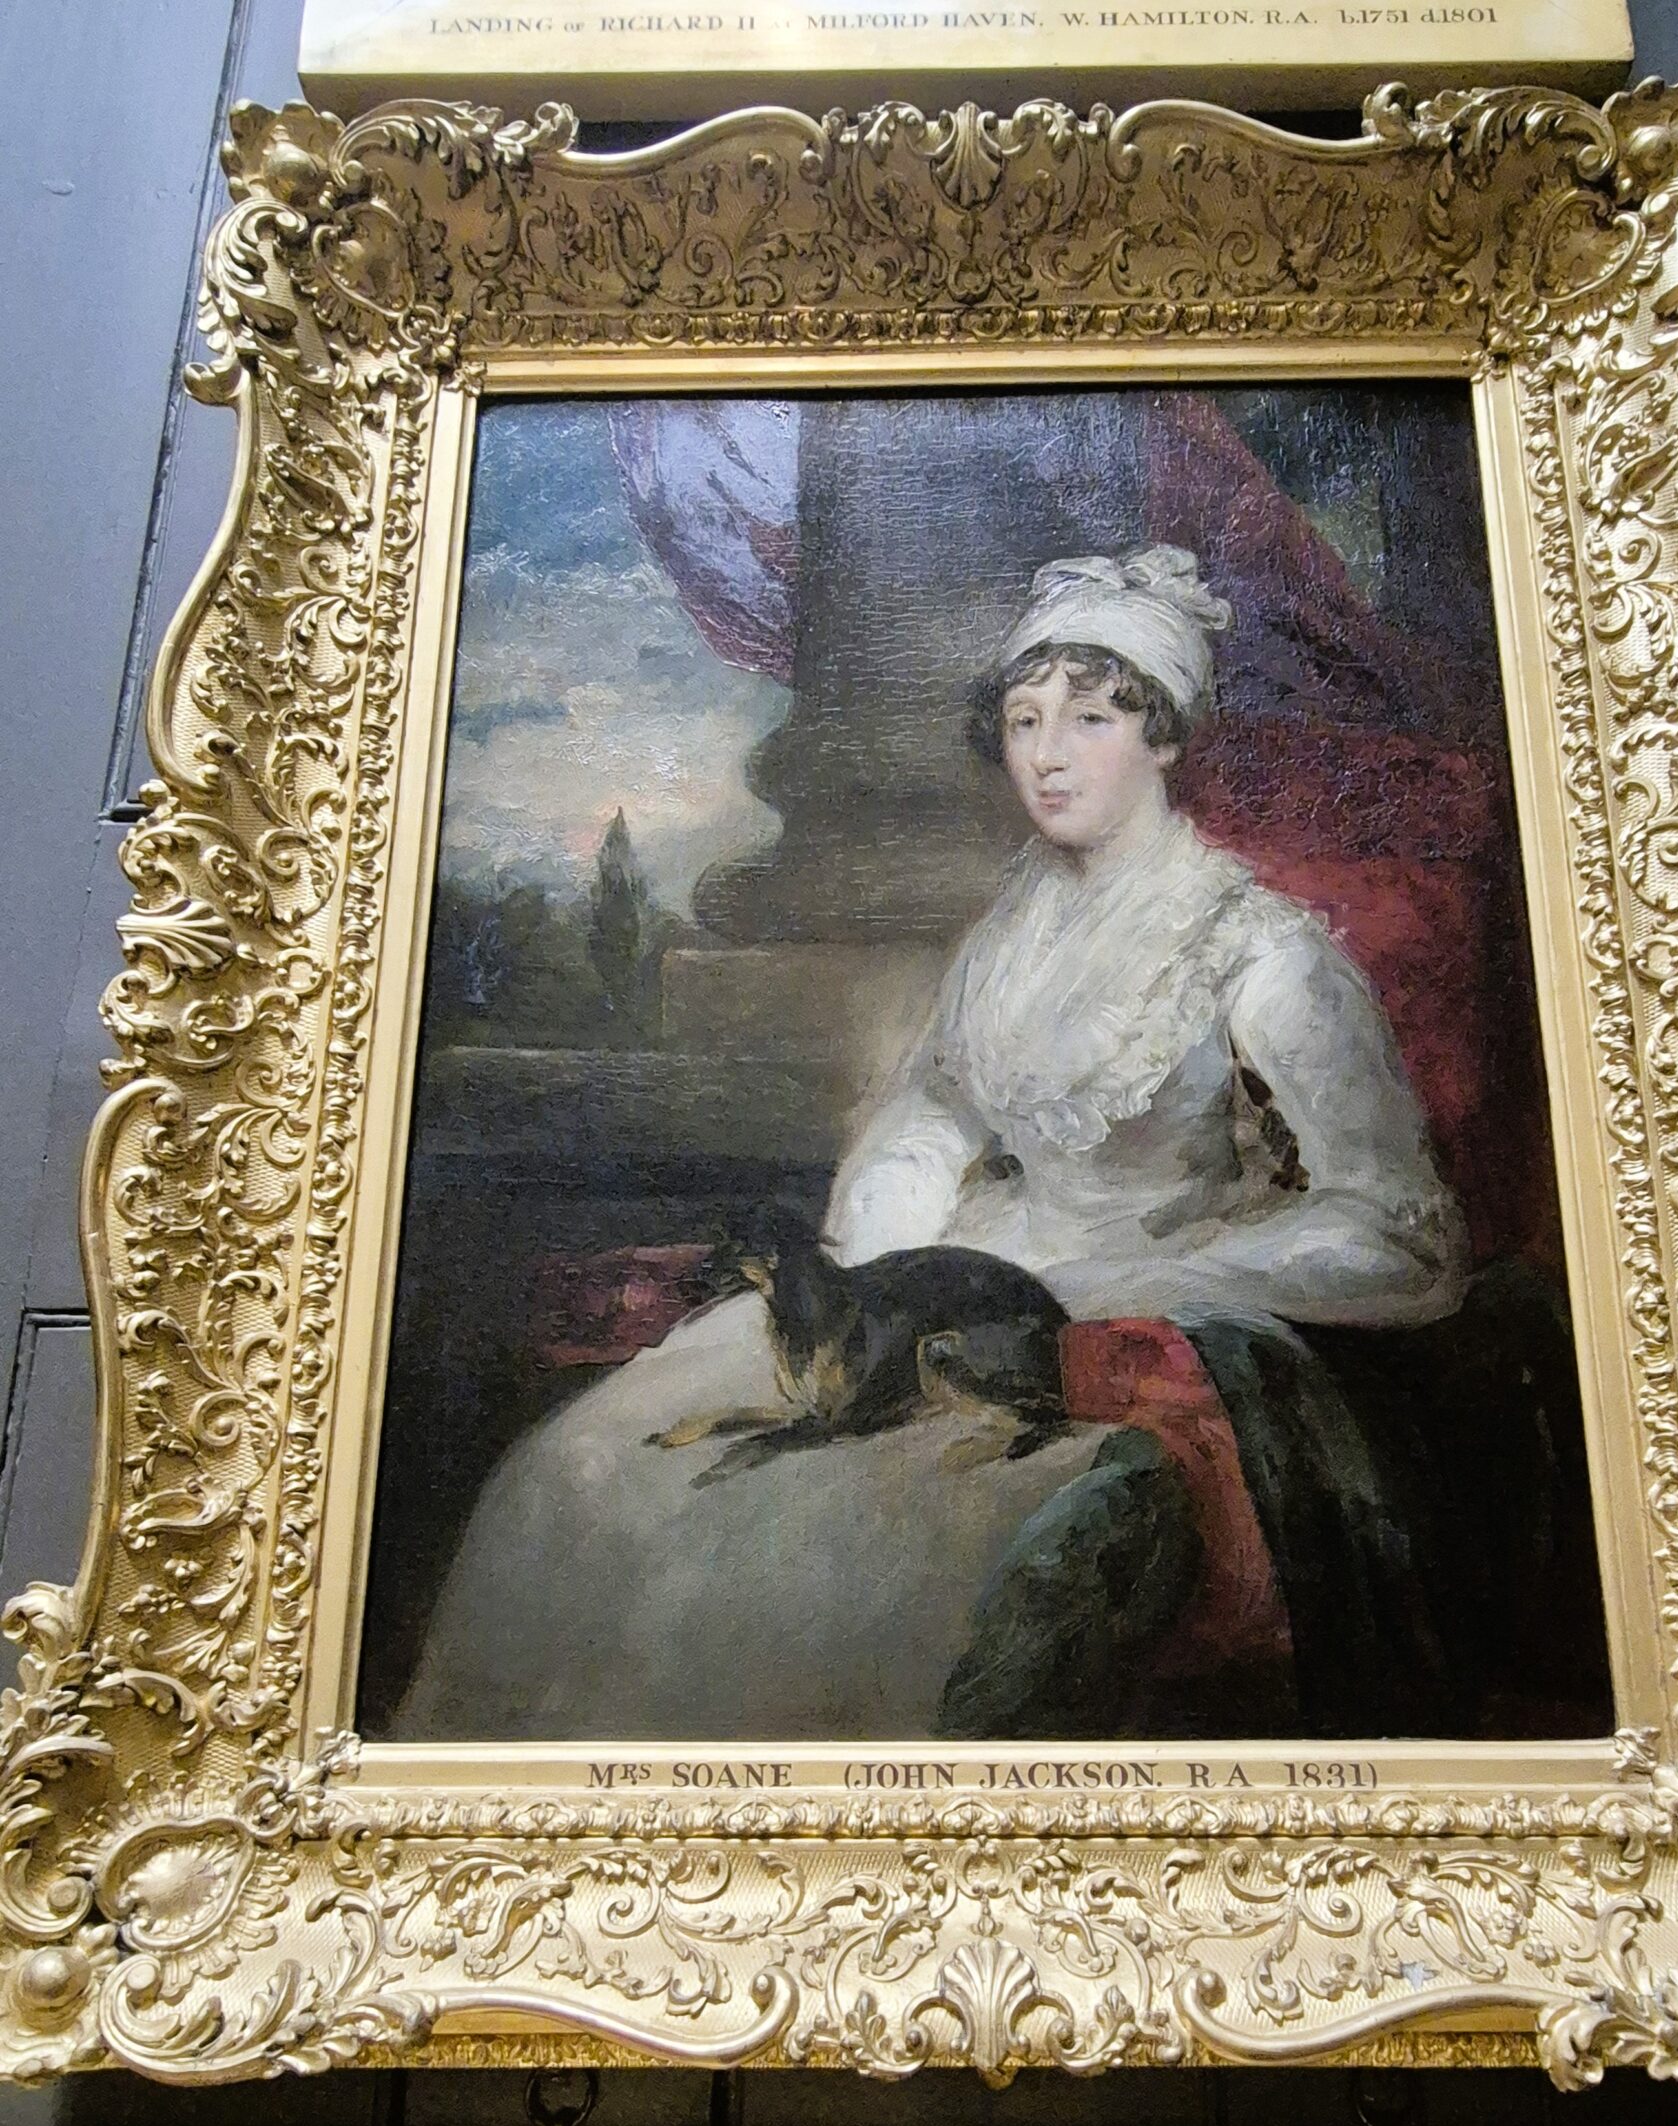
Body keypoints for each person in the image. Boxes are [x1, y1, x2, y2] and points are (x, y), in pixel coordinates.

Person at [398, 547, 1595, 1745]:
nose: (1046, 754)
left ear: (1165, 738)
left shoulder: (1262, 950)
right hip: (962, 1285)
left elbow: (1400, 1234)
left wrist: (1135, 1283)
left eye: (1088, 719)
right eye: (1024, 721)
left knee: (879, 1544)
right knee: (592, 1465)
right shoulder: (1011, 936)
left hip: (1142, 1313)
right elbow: (930, 1116)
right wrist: (879, 1267)